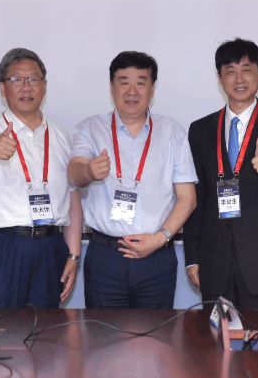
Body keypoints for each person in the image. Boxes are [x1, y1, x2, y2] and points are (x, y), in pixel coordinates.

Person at [69, 51, 197, 309]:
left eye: (140, 82)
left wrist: (161, 237)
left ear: (152, 88)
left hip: (157, 255)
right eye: (124, 82)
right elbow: (74, 173)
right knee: (102, 332)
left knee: (156, 333)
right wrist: (89, 171)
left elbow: (187, 197)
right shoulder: (90, 128)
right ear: (111, 86)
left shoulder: (172, 133)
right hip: (105, 255)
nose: (132, 91)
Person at [184, 39, 258, 309]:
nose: (239, 79)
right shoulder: (200, 130)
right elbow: (196, 197)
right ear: (219, 78)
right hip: (215, 263)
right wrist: (193, 257)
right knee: (216, 336)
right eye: (230, 71)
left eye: (247, 70)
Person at [0, 49, 82, 308]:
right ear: (2, 88)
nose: (26, 87)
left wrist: (74, 255)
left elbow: (72, 198)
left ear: (44, 86)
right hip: (1, 247)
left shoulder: (61, 136)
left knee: (46, 329)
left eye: (34, 79)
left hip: (49, 246)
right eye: (17, 79)